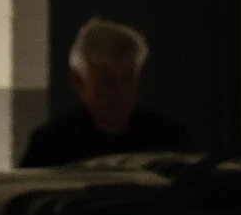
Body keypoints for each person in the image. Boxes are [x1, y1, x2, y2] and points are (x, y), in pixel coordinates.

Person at [21, 20, 194, 167]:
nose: (120, 91)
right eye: (107, 81)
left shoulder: (166, 138)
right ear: (78, 80)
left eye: (127, 79)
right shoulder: (51, 145)